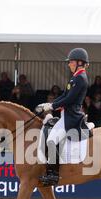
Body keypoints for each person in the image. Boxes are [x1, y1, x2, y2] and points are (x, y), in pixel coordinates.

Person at [37, 48, 90, 186]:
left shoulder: (80, 78)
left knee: (51, 140)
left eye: (71, 62)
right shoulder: (75, 77)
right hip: (66, 115)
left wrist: (52, 107)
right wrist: (51, 103)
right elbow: (64, 96)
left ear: (79, 62)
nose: (69, 64)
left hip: (71, 118)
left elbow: (69, 99)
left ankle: (53, 175)